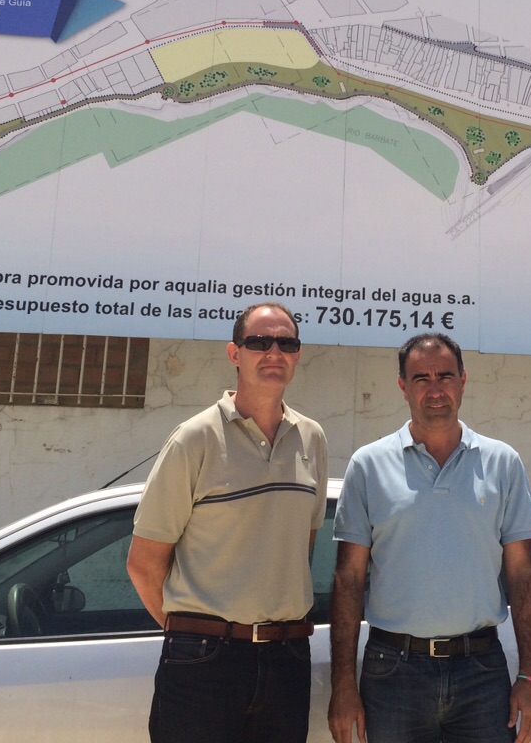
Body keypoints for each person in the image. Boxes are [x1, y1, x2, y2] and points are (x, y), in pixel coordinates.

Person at [127, 301, 328, 743]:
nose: (273, 352)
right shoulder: (194, 438)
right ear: (235, 353)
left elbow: (301, 547)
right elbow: (143, 564)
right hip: (204, 663)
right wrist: (195, 635)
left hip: (287, 659)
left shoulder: (312, 438)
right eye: (259, 342)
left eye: (286, 343)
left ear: (297, 355)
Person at [328, 333, 531, 743]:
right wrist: (343, 685)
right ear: (402, 386)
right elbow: (348, 579)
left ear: (463, 380)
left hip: (481, 673)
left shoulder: (503, 462)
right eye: (421, 378)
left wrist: (530, 677)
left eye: (445, 376)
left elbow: (523, 575)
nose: (435, 389)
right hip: (393, 673)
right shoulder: (368, 465)